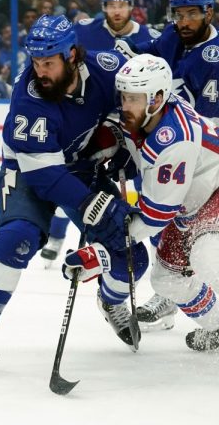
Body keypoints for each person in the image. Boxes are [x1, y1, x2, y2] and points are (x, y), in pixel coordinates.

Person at [0, 15, 136, 372]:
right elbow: (45, 176)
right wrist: (88, 205)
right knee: (15, 239)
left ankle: (110, 299)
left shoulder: (107, 68)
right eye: (36, 62)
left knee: (130, 252)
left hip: (82, 165)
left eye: (48, 63)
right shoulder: (29, 96)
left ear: (72, 55)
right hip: (28, 171)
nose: (41, 71)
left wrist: (118, 143)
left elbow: (134, 100)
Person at [64, 54, 219, 352]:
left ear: (158, 98)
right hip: (191, 204)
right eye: (123, 97)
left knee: (207, 256)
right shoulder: (148, 113)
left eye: (133, 99)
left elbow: (153, 219)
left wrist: (100, 252)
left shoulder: (174, 140)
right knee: (167, 280)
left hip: (213, 191)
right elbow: (125, 135)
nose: (125, 106)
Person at [115, 0, 219, 329]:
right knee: (166, 261)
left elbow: (198, 122)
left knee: (205, 254)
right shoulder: (175, 36)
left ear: (209, 12)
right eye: (179, 14)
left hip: (201, 156)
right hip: (173, 147)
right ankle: (188, 305)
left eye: (192, 14)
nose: (184, 21)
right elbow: (148, 53)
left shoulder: (215, 59)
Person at [42, 0, 160, 275]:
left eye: (122, 4)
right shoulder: (83, 31)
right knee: (76, 181)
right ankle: (57, 237)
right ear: (104, 6)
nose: (117, 10)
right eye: (111, 5)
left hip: (129, 125)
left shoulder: (148, 37)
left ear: (131, 7)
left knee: (150, 190)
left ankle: (158, 252)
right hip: (88, 122)